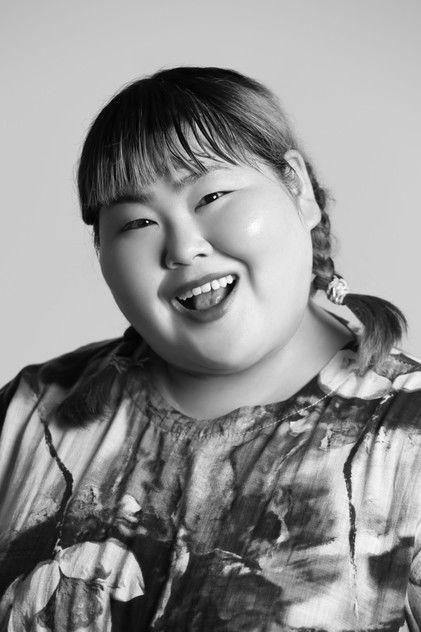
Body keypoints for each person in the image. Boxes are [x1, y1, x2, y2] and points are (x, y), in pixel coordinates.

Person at [0, 66, 419, 632]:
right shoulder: (28, 415)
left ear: (297, 188)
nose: (182, 247)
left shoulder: (407, 441)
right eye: (137, 222)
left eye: (212, 195)